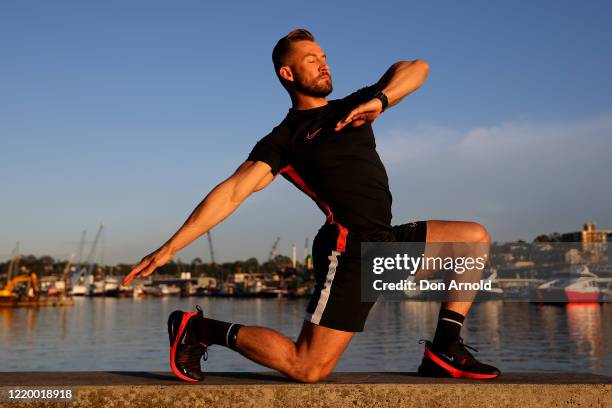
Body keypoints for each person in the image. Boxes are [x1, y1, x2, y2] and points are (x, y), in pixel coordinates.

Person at [123, 28, 500, 383]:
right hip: (349, 252)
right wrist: (170, 247)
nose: (323, 63)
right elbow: (232, 192)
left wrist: (379, 101)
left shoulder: (354, 106)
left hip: (383, 242)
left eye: (324, 56)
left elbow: (417, 69)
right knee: (307, 368)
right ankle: (199, 329)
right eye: (310, 59)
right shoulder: (285, 139)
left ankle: (445, 351)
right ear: (287, 73)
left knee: (471, 240)